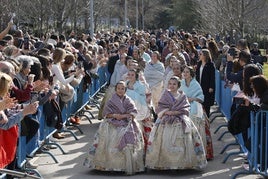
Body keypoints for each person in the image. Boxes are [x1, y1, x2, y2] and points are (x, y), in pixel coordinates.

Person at [146, 76, 207, 170]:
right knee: (163, 139)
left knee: (184, 137)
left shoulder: (182, 96)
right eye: (170, 84)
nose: (172, 86)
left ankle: (182, 163)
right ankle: (165, 163)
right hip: (166, 119)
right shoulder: (165, 95)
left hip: (180, 118)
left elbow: (186, 108)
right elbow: (160, 107)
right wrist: (167, 112)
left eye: (174, 84)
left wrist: (176, 112)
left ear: (178, 85)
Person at [84, 81, 144, 175]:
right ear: (115, 90)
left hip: (125, 122)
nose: (120, 90)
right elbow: (106, 114)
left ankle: (126, 164)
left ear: (125, 90)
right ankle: (109, 164)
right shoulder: (111, 100)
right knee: (110, 138)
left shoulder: (128, 100)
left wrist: (124, 116)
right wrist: (115, 115)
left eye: (122, 89)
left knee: (129, 134)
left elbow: (133, 112)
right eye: (118, 88)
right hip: (112, 122)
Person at [180, 66, 214, 160]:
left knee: (200, 125)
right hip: (183, 107)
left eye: (187, 72)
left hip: (195, 106)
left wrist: (192, 99)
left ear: (191, 74)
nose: (185, 74)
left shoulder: (195, 84)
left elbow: (201, 97)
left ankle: (201, 152)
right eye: (184, 72)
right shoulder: (181, 83)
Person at [126, 69, 153, 150]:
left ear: (136, 76)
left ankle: (143, 150)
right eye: (129, 74)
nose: (130, 76)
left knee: (142, 131)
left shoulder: (141, 85)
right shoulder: (125, 84)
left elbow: (144, 97)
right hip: (127, 110)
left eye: (132, 75)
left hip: (140, 109)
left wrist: (134, 95)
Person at [196, 49, 215, 117]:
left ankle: (207, 119)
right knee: (200, 103)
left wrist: (211, 86)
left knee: (206, 104)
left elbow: (212, 77)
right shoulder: (199, 64)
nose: (199, 55)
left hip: (207, 87)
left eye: (200, 54)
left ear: (205, 55)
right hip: (199, 86)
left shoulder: (210, 65)